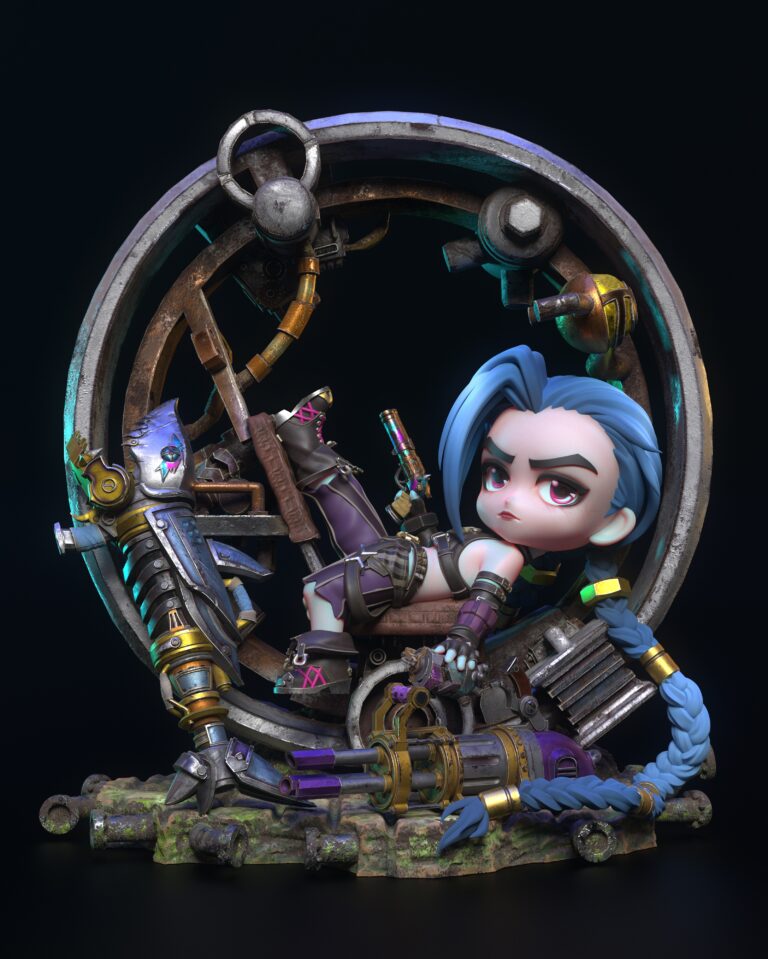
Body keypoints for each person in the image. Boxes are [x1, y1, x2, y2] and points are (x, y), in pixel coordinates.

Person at [272, 345, 660, 697]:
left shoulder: (508, 558)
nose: (510, 498)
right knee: (345, 502)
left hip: (399, 573)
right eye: (498, 474)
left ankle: (323, 673)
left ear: (613, 523)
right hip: (401, 556)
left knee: (321, 590)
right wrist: (417, 516)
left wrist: (462, 640)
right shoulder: (495, 545)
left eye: (559, 488)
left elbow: (482, 605)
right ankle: (301, 440)